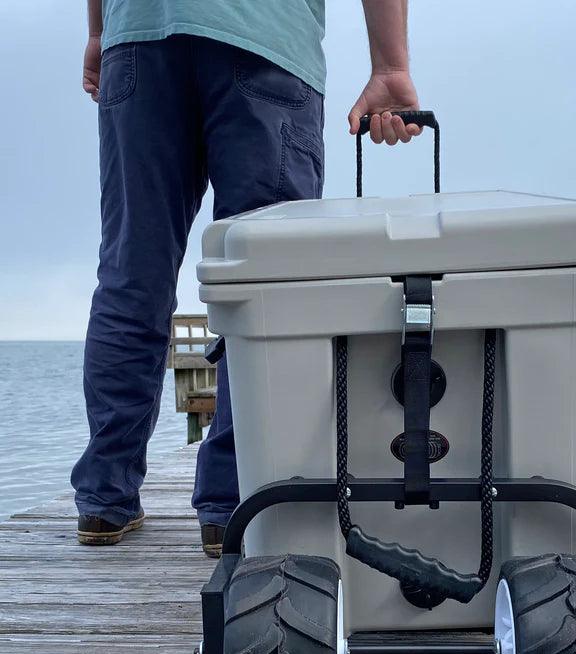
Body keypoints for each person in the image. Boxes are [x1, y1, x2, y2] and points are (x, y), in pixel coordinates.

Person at [74, 1, 422, 556]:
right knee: (266, 285)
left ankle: (104, 499)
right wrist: (390, 67)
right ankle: (232, 503)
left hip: (137, 35)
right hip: (264, 37)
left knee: (130, 272)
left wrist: (98, 32)